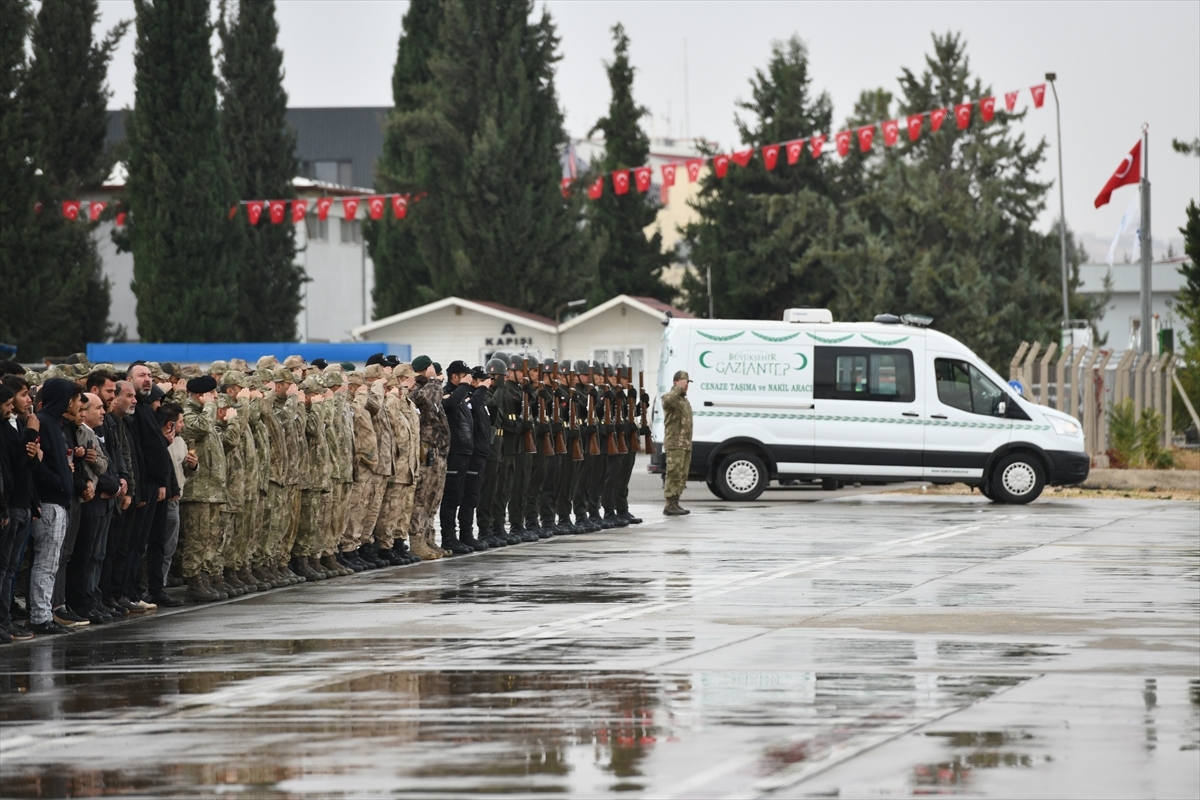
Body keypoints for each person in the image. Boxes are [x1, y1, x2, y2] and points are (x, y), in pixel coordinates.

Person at [437, 360, 477, 554]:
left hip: (464, 451)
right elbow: (448, 404)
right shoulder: (449, 392)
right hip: (454, 452)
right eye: (464, 376)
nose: (468, 379)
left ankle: (462, 536)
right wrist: (463, 386)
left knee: (461, 496)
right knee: (451, 497)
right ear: (454, 377)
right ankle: (448, 537)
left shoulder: (463, 395)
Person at [661, 370, 694, 516]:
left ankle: (676, 502)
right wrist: (677, 389)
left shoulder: (684, 400)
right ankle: (669, 503)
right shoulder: (672, 398)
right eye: (684, 381)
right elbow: (666, 400)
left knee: (682, 474)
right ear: (676, 382)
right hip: (675, 443)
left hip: (685, 444)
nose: (687, 385)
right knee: (673, 472)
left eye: (687, 382)